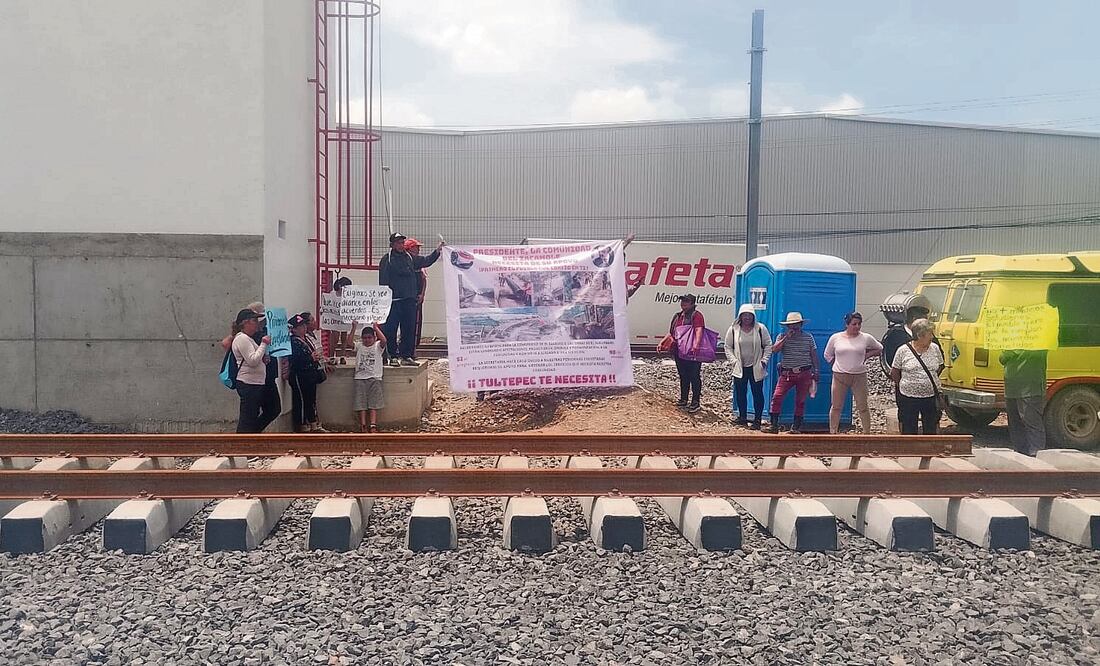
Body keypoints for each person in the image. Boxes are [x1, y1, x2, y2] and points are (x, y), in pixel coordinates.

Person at [378, 232, 442, 366]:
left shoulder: (410, 258)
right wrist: (384, 300)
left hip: (409, 301)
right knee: (391, 329)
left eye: (402, 242)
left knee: (409, 329)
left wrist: (437, 251)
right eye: (398, 242)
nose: (400, 245)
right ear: (392, 245)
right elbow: (383, 281)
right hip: (394, 301)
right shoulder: (387, 259)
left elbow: (426, 261)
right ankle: (393, 356)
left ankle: (406, 355)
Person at [824, 312, 883, 434]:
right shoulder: (836, 337)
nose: (857, 327)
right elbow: (827, 354)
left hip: (859, 375)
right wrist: (836, 364)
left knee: (863, 406)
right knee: (836, 406)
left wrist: (868, 355)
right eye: (854, 324)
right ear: (847, 325)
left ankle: (867, 432)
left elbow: (880, 348)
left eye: (859, 324)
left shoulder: (866, 337)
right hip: (840, 375)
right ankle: (833, 431)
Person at [890, 318, 945, 435]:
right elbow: (895, 372)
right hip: (908, 396)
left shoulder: (935, 348)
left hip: (930, 396)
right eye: (930, 334)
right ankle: (910, 451)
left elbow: (940, 366)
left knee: (931, 427)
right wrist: (904, 384)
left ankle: (929, 451)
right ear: (920, 335)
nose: (932, 337)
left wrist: (927, 380)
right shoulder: (903, 350)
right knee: (909, 427)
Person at [768, 312, 820, 434]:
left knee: (800, 400)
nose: (794, 327)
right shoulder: (781, 336)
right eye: (791, 325)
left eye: (796, 325)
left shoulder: (808, 337)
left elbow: (813, 355)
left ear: (801, 325)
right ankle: (774, 425)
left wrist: (816, 370)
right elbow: (774, 350)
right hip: (787, 373)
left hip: (804, 372)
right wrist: (786, 338)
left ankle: (796, 426)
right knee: (777, 396)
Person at [724, 304, 773, 429]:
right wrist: (733, 361)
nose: (747, 318)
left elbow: (768, 345)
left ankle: (757, 420)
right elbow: (728, 346)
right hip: (740, 366)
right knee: (740, 393)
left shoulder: (760, 328)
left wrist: (764, 360)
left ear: (753, 316)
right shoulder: (734, 329)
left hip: (756, 366)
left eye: (749, 315)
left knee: (757, 393)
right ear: (740, 316)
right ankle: (742, 418)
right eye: (744, 315)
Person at [230, 308, 271, 433]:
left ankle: (250, 440)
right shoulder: (242, 339)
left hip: (255, 382)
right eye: (254, 320)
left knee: (252, 415)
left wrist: (264, 357)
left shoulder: (248, 338)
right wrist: (264, 344)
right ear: (245, 323)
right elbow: (252, 360)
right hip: (248, 383)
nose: (257, 324)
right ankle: (242, 444)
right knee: (247, 418)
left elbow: (256, 358)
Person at [1000, 349, 1048, 456]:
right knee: (1028, 423)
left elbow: (1002, 358)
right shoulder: (1038, 341)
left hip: (1021, 387)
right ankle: (1030, 453)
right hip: (1025, 387)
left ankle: (1031, 453)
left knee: (1021, 423)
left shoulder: (1012, 344)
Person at [663, 294, 704, 413]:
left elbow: (699, 329)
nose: (683, 304)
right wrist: (662, 342)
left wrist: (696, 345)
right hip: (679, 351)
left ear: (692, 303)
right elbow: (672, 332)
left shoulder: (696, 315)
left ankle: (695, 402)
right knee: (683, 375)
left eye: (686, 302)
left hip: (691, 351)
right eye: (682, 301)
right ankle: (683, 399)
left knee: (694, 376)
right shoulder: (677, 316)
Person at [287, 314, 324, 433]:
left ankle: (313, 422)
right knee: (302, 399)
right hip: (300, 373)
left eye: (304, 325)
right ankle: (303, 424)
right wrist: (310, 357)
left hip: (310, 373)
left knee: (311, 398)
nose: (303, 328)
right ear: (294, 329)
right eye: (300, 326)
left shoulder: (306, 339)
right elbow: (295, 359)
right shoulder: (293, 341)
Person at [353, 322, 387, 432]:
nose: (367, 340)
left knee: (374, 403)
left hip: (375, 378)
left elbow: (384, 341)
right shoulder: (359, 346)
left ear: (374, 338)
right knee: (361, 403)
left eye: (369, 337)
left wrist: (376, 328)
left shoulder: (377, 346)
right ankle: (363, 425)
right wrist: (353, 328)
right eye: (364, 338)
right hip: (360, 378)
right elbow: (349, 342)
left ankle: (373, 425)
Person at [404, 238, 429, 351]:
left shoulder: (419, 264)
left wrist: (422, 294)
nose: (418, 250)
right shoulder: (404, 262)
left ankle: (413, 347)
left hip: (417, 298)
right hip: (406, 298)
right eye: (416, 247)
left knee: (416, 323)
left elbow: (424, 280)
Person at [331, 276, 354, 363]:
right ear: (341, 286)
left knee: (344, 337)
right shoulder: (332, 294)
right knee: (335, 338)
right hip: (335, 319)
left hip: (344, 319)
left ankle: (342, 356)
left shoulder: (348, 296)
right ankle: (332, 355)